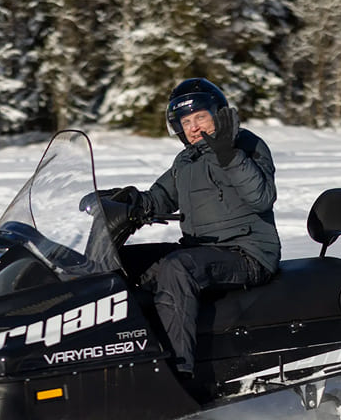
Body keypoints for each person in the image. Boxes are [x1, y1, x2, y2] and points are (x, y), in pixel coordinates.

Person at [104, 78, 280, 383]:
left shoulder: (247, 146)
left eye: (201, 117)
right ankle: (121, 355)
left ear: (219, 115)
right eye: (186, 122)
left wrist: (229, 156)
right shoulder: (187, 158)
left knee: (178, 268)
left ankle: (179, 374)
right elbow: (159, 198)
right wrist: (122, 201)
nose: (194, 127)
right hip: (201, 249)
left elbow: (261, 197)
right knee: (122, 262)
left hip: (248, 253)